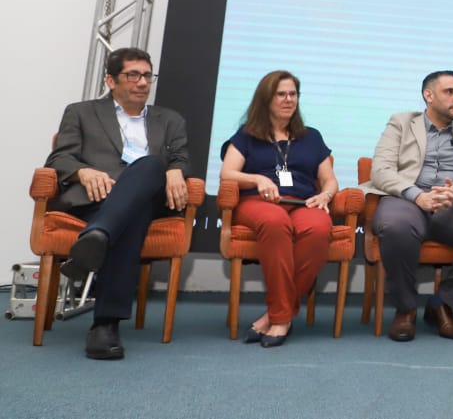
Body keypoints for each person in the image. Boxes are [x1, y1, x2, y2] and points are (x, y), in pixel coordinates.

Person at [45, 47, 191, 360]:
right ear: (111, 80)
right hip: (97, 199)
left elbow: (179, 156)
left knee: (152, 165)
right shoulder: (81, 112)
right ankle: (105, 324)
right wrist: (83, 172)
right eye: (133, 75)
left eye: (147, 75)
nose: (142, 82)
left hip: (150, 196)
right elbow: (60, 157)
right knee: (131, 219)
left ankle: (96, 238)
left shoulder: (170, 120)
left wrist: (176, 169)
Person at [368, 70, 453, 341]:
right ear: (428, 95)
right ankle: (405, 310)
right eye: (450, 92)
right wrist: (416, 195)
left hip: (450, 207)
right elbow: (380, 171)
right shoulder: (401, 123)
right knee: (395, 225)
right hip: (406, 200)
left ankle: (442, 304)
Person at [220, 70, 338, 348]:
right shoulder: (247, 135)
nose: (288, 99)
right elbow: (228, 174)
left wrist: (327, 194)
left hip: (302, 203)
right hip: (259, 203)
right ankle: (283, 318)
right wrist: (257, 178)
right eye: (281, 94)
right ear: (266, 99)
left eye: (293, 94)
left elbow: (329, 178)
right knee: (275, 222)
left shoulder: (311, 136)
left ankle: (274, 314)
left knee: (319, 228)